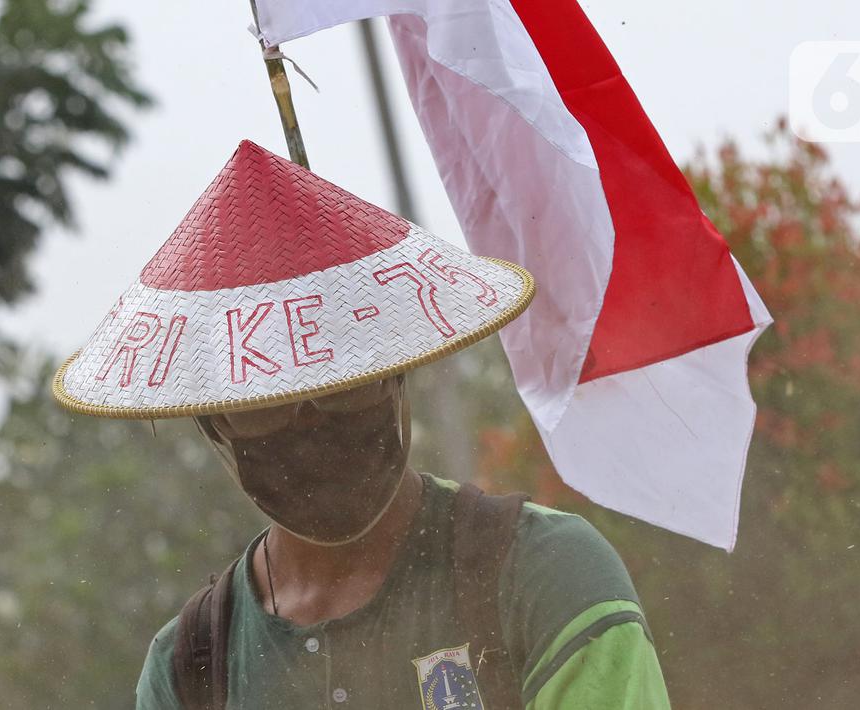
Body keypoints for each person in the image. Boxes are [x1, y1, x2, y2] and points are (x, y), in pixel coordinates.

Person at [52, 140, 671, 709]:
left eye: (343, 385)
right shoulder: (191, 670)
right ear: (214, 424)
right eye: (266, 399)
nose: (310, 418)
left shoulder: (538, 574)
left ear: (395, 372)